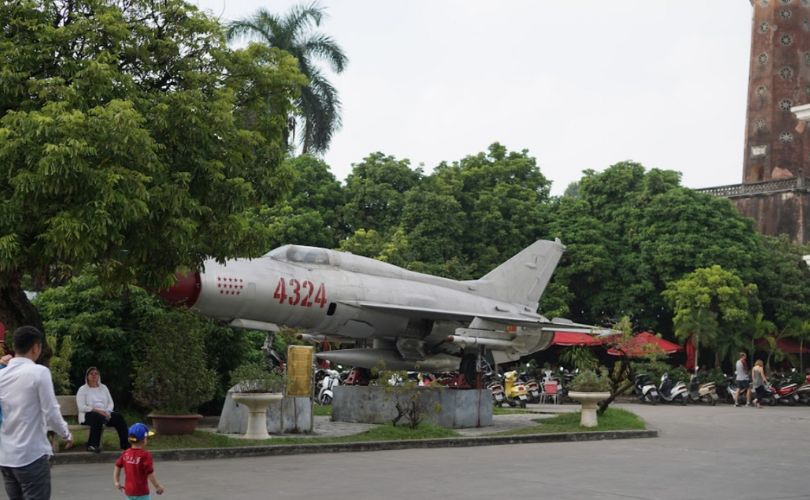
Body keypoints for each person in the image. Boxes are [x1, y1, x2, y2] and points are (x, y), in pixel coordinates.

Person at [0, 326, 73, 500]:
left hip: (6, 457)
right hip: (31, 455)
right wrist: (65, 433)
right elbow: (51, 411)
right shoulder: (39, 372)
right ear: (35, 347)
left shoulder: (2, 374)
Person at [76, 366, 130, 453]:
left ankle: (125, 445)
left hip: (104, 414)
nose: (94, 375)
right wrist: (97, 410)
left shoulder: (104, 387)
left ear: (99, 376)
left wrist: (108, 411)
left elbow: (110, 402)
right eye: (91, 374)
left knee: (118, 417)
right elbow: (81, 407)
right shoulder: (82, 389)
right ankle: (92, 445)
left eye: (96, 373)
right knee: (97, 417)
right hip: (89, 414)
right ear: (87, 376)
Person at [114, 423, 164, 499]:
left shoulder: (126, 453)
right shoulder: (145, 455)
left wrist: (116, 481)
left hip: (129, 491)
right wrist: (157, 486)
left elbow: (117, 466)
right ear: (144, 440)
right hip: (141, 492)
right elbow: (150, 473)